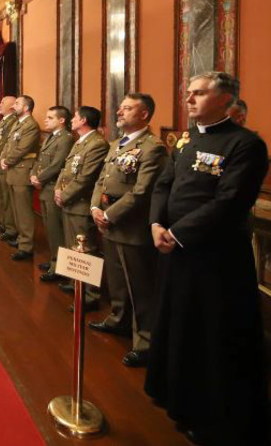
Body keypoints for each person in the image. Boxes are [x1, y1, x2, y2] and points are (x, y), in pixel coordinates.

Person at [146, 72, 269, 445]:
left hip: (215, 257)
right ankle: (174, 394)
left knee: (210, 334)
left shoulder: (246, 145)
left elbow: (230, 201)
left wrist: (179, 233)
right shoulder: (186, 142)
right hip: (174, 249)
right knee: (177, 323)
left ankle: (212, 414)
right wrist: (155, 222)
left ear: (225, 99)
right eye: (189, 93)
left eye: (199, 93)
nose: (189, 99)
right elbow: (164, 183)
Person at [89, 93, 167, 368]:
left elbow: (142, 191)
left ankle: (145, 342)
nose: (119, 112)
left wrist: (109, 214)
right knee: (117, 280)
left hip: (131, 227)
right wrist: (96, 209)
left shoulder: (152, 147)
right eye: (120, 108)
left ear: (144, 114)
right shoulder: (116, 145)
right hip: (108, 223)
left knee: (140, 287)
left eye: (127, 108)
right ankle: (118, 319)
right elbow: (101, 180)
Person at [54, 106, 109, 308]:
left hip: (81, 203)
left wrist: (65, 194)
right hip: (69, 201)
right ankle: (75, 281)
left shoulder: (97, 144)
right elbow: (66, 170)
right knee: (72, 244)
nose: (72, 120)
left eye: (75, 117)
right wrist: (58, 191)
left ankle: (91, 294)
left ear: (84, 120)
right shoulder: (80, 142)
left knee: (86, 248)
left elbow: (85, 178)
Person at [30, 106, 74, 281]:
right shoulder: (51, 137)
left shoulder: (66, 139)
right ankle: (54, 259)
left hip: (52, 186)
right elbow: (40, 159)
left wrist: (39, 178)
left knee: (56, 229)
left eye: (50, 117)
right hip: (44, 186)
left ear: (61, 120)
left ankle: (59, 267)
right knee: (49, 228)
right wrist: (33, 174)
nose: (45, 120)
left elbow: (57, 164)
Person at [0, 96, 40, 261]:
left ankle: (26, 245)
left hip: (22, 171)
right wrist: (2, 158)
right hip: (12, 170)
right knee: (15, 208)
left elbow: (22, 148)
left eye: (17, 103)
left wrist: (7, 160)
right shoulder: (18, 123)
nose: (13, 106)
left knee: (23, 211)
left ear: (26, 108)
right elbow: (8, 144)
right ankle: (21, 238)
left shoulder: (31, 125)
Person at [0, 96, 19, 238]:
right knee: (1, 196)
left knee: (7, 198)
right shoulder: (4, 120)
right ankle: (3, 223)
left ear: (11, 106)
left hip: (4, 162)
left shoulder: (12, 121)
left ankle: (10, 228)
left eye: (2, 102)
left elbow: (5, 143)